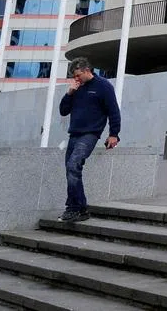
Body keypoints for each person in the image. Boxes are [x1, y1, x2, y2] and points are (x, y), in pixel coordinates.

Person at [57, 57, 120, 222]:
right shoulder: (76, 88)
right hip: (74, 134)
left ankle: (74, 208)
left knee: (73, 165)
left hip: (90, 133)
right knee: (71, 170)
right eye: (74, 76)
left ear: (87, 71)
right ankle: (80, 208)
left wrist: (114, 134)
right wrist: (69, 93)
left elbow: (113, 111)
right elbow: (63, 111)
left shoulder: (103, 86)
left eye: (78, 75)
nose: (76, 79)